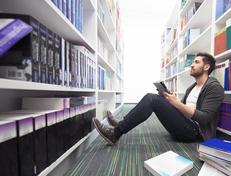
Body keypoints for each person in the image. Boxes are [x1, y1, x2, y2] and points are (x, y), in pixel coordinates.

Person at [93, 52, 224, 145]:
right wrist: (170, 99)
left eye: (196, 62)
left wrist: (175, 104)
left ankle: (115, 133)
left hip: (195, 133)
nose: (192, 65)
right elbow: (184, 108)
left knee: (151, 99)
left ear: (206, 67)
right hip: (186, 124)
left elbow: (204, 118)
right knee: (156, 98)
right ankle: (121, 124)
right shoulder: (192, 87)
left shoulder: (214, 88)